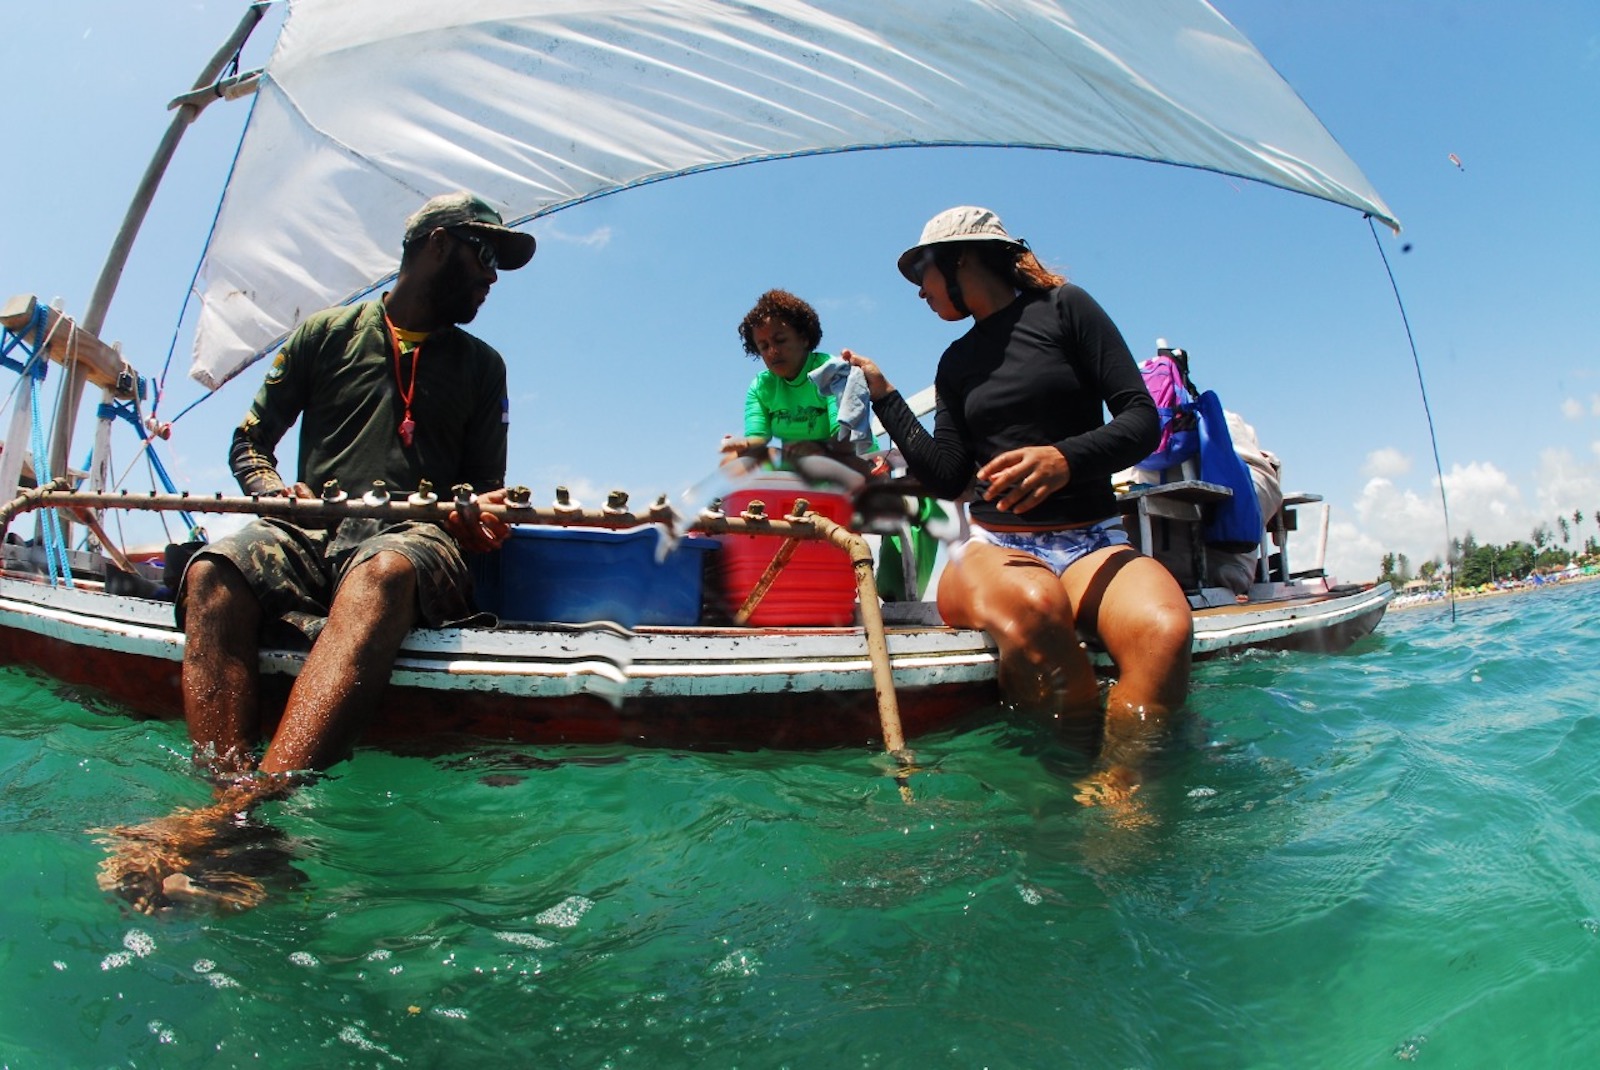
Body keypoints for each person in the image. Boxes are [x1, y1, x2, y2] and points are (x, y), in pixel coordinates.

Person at [96, 191, 534, 911]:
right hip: (310, 531)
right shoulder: (324, 334)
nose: (493, 278)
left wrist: (482, 515)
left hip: (415, 540)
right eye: (484, 256)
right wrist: (271, 490)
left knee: (384, 572)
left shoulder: (485, 367)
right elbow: (250, 443)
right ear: (436, 244)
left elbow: (483, 489)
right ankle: (237, 825)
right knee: (212, 570)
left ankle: (232, 824)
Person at [842, 206, 1193, 805]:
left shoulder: (1067, 309)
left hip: (1092, 541)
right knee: (1035, 607)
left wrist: (1065, 458)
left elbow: (1141, 418)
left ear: (960, 260)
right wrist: (885, 397)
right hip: (997, 547)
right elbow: (950, 478)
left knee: (1166, 630)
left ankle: (1122, 791)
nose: (919, 292)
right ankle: (1063, 788)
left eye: (921, 274)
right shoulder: (955, 363)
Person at [720, 289, 876, 477]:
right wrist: (743, 444)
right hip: (798, 466)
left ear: (803, 338)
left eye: (780, 340)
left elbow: (846, 439)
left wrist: (817, 449)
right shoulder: (761, 387)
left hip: (851, 459)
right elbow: (757, 438)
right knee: (732, 463)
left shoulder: (832, 371)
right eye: (764, 346)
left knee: (822, 462)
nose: (773, 352)